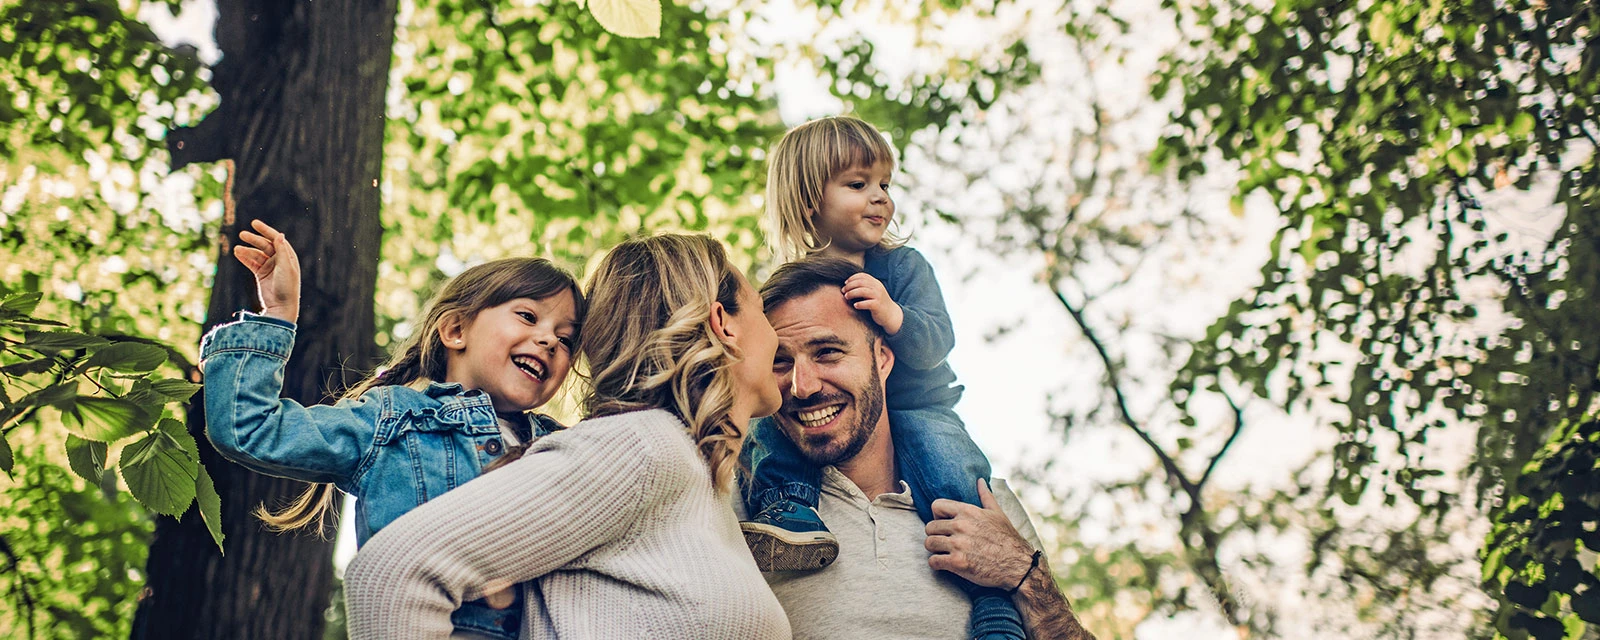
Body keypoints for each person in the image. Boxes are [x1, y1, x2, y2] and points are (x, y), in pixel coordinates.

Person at [342, 234, 792, 639]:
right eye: (762, 311)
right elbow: (393, 573)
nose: (777, 337)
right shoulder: (642, 448)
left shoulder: (697, 478)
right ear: (723, 321)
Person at [201, 220, 583, 638]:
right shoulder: (390, 420)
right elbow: (249, 427)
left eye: (566, 340)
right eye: (528, 316)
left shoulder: (563, 446)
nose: (549, 340)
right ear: (456, 331)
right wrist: (277, 315)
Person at [740, 114, 1025, 637]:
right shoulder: (789, 289)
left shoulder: (902, 268)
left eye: (884, 185)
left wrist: (894, 315)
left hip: (917, 406)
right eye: (858, 185)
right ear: (809, 202)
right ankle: (788, 513)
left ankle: (993, 607)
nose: (880, 198)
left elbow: (939, 340)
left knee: (954, 478)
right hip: (824, 439)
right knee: (765, 434)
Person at [750, 256, 1097, 640]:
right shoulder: (747, 512)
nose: (804, 386)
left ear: (882, 359)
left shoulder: (983, 506)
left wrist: (1024, 576)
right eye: (780, 361)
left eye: (828, 352)